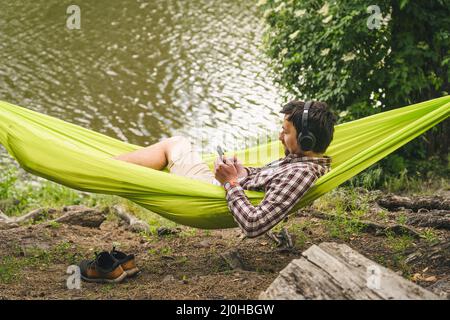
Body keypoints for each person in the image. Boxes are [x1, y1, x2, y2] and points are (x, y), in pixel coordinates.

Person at [115, 101, 336, 238]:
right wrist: (241, 172)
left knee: (173, 145)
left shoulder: (301, 173)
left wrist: (230, 183)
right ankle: (112, 164)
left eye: (286, 131)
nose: (280, 136)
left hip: (209, 197)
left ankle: (109, 166)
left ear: (307, 141)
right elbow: (265, 181)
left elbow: (254, 224)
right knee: (176, 145)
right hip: (218, 189)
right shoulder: (298, 160)